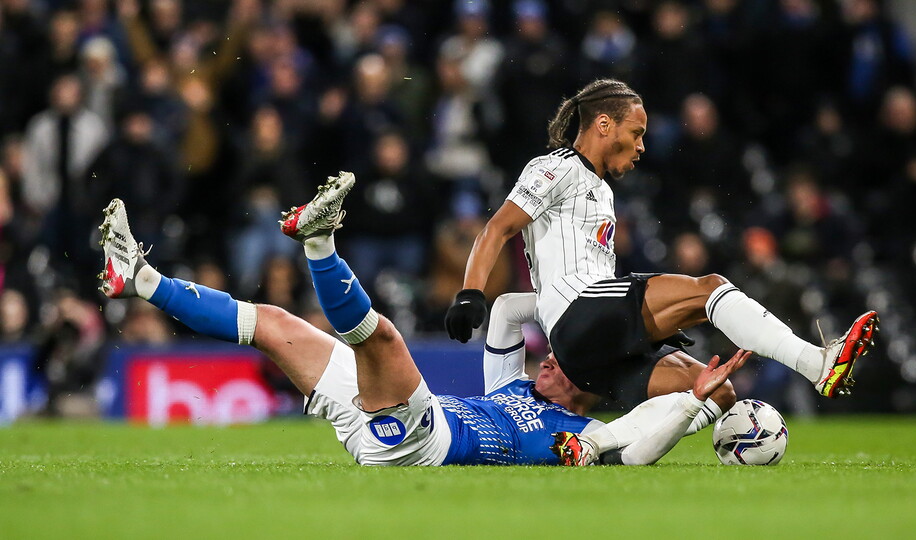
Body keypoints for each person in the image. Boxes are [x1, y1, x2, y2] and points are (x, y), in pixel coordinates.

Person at [96, 172, 746, 466]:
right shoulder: (514, 386)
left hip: (420, 443)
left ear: (589, 383)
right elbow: (509, 313)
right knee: (272, 322)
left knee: (381, 335)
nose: (548, 355)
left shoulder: (579, 440)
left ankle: (319, 242)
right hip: (391, 421)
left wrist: (697, 402)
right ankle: (141, 278)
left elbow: (641, 443)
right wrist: (567, 307)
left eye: (562, 360)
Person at [444, 78, 878, 417]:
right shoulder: (555, 168)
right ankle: (815, 363)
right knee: (710, 288)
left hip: (593, 342)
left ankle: (599, 446)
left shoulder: (603, 190)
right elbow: (496, 229)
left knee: (717, 391)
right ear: (603, 125)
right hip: (578, 312)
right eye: (636, 133)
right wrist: (470, 294)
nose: (641, 146)